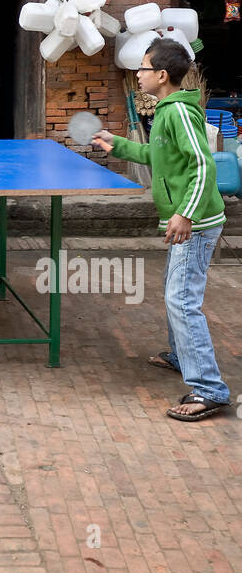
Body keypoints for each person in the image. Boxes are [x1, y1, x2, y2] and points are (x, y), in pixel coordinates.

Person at [94, 38, 229, 422]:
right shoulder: (166, 111)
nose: (137, 74)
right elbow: (158, 156)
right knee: (175, 293)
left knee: (182, 301)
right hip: (187, 221)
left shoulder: (179, 112)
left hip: (196, 224)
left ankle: (208, 389)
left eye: (142, 68)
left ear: (162, 75)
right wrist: (116, 144)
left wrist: (185, 214)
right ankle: (181, 354)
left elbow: (203, 165)